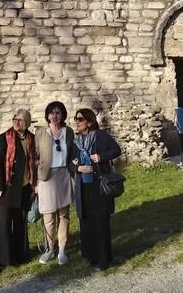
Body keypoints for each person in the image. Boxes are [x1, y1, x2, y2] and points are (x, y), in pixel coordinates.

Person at [72, 108, 121, 270]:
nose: (77, 122)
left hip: (98, 185)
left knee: (100, 222)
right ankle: (91, 256)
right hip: (83, 186)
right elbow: (69, 162)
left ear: (89, 122)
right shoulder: (76, 141)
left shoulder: (101, 136)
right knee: (86, 221)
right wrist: (77, 168)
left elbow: (116, 150)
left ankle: (103, 258)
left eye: (80, 119)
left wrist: (101, 157)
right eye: (76, 119)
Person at [0, 108, 37, 273]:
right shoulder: (5, 138)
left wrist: (34, 183)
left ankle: (20, 255)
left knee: (20, 223)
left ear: (27, 122)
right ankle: (1, 259)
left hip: (24, 188)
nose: (16, 122)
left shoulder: (31, 138)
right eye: (14, 119)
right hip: (6, 189)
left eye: (20, 120)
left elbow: (34, 160)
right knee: (4, 223)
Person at [35, 101, 75, 265]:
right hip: (46, 177)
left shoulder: (68, 132)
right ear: (47, 116)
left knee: (63, 215)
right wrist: (35, 181)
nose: (55, 116)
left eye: (58, 113)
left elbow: (72, 152)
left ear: (63, 115)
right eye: (52, 113)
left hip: (64, 175)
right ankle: (50, 248)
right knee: (48, 215)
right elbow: (34, 156)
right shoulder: (41, 133)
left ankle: (62, 250)